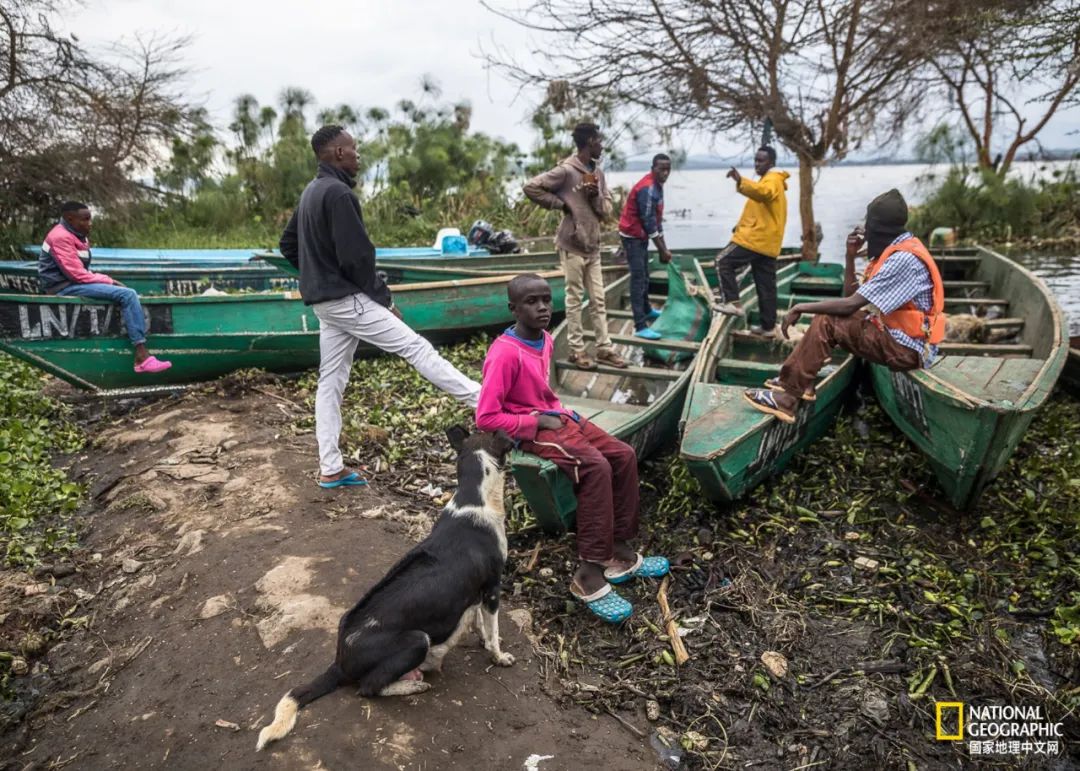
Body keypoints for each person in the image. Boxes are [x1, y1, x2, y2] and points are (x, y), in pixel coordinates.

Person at [281, 125, 481, 489]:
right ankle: (484, 402)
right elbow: (358, 258)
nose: (358, 154)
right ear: (338, 153)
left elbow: (287, 245)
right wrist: (385, 300)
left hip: (325, 304)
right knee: (416, 347)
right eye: (353, 148)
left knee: (332, 380)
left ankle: (330, 466)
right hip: (346, 299)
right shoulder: (339, 194)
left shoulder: (311, 192)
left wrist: (317, 274)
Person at [475, 273, 669, 623]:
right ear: (513, 309)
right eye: (531, 302)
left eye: (546, 300)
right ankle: (588, 575)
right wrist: (534, 423)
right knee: (595, 467)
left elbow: (542, 393)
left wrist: (562, 412)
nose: (543, 307)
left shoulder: (546, 339)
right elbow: (487, 417)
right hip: (531, 429)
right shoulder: (504, 354)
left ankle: (620, 551)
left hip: (557, 417)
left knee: (622, 455)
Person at [743, 189, 944, 424]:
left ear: (877, 227)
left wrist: (801, 307)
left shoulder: (902, 260)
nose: (864, 230)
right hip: (899, 340)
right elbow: (851, 295)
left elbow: (849, 305)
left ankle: (787, 398)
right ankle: (802, 383)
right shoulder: (896, 248)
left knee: (828, 319)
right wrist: (850, 257)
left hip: (907, 349)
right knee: (831, 316)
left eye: (868, 224)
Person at [523, 123, 628, 371]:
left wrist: (594, 196)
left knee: (599, 300)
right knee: (574, 298)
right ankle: (576, 350)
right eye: (599, 141)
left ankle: (604, 349)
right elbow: (531, 187)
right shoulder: (567, 171)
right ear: (590, 142)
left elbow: (607, 211)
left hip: (593, 246)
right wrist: (561, 204)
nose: (602, 145)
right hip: (572, 245)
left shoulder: (598, 174)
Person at [37, 202, 172, 374]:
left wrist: (105, 281)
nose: (89, 223)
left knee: (123, 293)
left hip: (72, 283)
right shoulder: (60, 237)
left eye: (90, 219)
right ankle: (141, 356)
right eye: (85, 220)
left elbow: (81, 271)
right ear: (69, 218)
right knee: (128, 295)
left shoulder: (77, 234)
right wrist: (110, 281)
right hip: (62, 287)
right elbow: (77, 274)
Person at [713, 146, 790, 336]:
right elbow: (757, 210)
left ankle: (732, 302)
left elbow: (763, 192)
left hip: (757, 239)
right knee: (766, 285)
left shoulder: (772, 180)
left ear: (771, 163)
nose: (757, 164)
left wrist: (740, 180)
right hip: (768, 243)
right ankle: (768, 326)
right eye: (755, 160)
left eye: (761, 161)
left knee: (722, 261)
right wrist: (738, 227)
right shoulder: (768, 180)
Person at [617, 154, 673, 340]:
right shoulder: (647, 189)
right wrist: (662, 250)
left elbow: (657, 222)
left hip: (641, 235)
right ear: (653, 168)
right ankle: (640, 325)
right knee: (638, 277)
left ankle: (647, 310)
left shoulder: (658, 187)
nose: (665, 173)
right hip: (632, 236)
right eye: (661, 169)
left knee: (645, 274)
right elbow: (649, 222)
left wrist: (665, 247)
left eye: (668, 169)